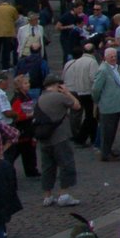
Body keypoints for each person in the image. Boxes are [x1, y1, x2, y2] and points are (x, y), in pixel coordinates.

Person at [35, 73, 83, 207]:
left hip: (45, 139)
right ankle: (64, 194)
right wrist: (67, 92)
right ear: (57, 85)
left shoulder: (40, 98)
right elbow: (77, 106)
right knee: (66, 164)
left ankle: (47, 196)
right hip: (60, 137)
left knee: (47, 167)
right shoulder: (59, 97)